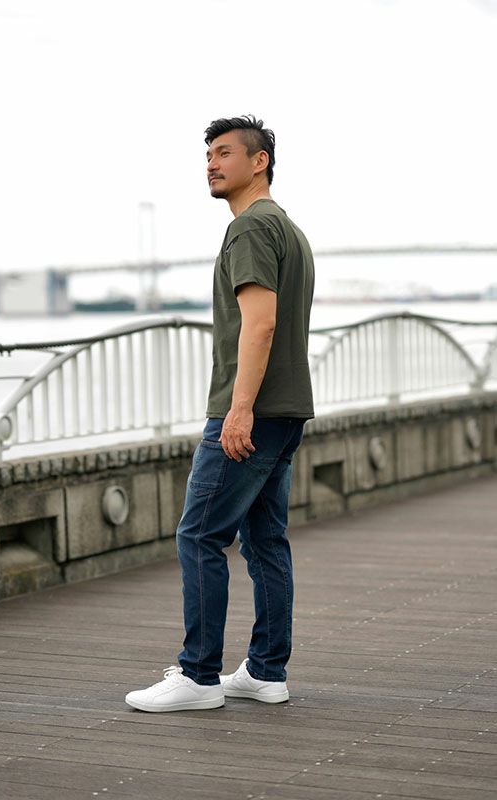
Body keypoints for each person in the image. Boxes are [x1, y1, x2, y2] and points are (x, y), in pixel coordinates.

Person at [125, 114, 315, 713]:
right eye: (208, 154)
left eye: (225, 153)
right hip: (286, 410)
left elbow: (260, 325)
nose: (211, 163)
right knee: (265, 541)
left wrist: (238, 411)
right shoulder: (287, 228)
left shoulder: (251, 228)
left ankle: (198, 675)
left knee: (200, 534)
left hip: (252, 412)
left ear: (259, 162)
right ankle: (265, 671)